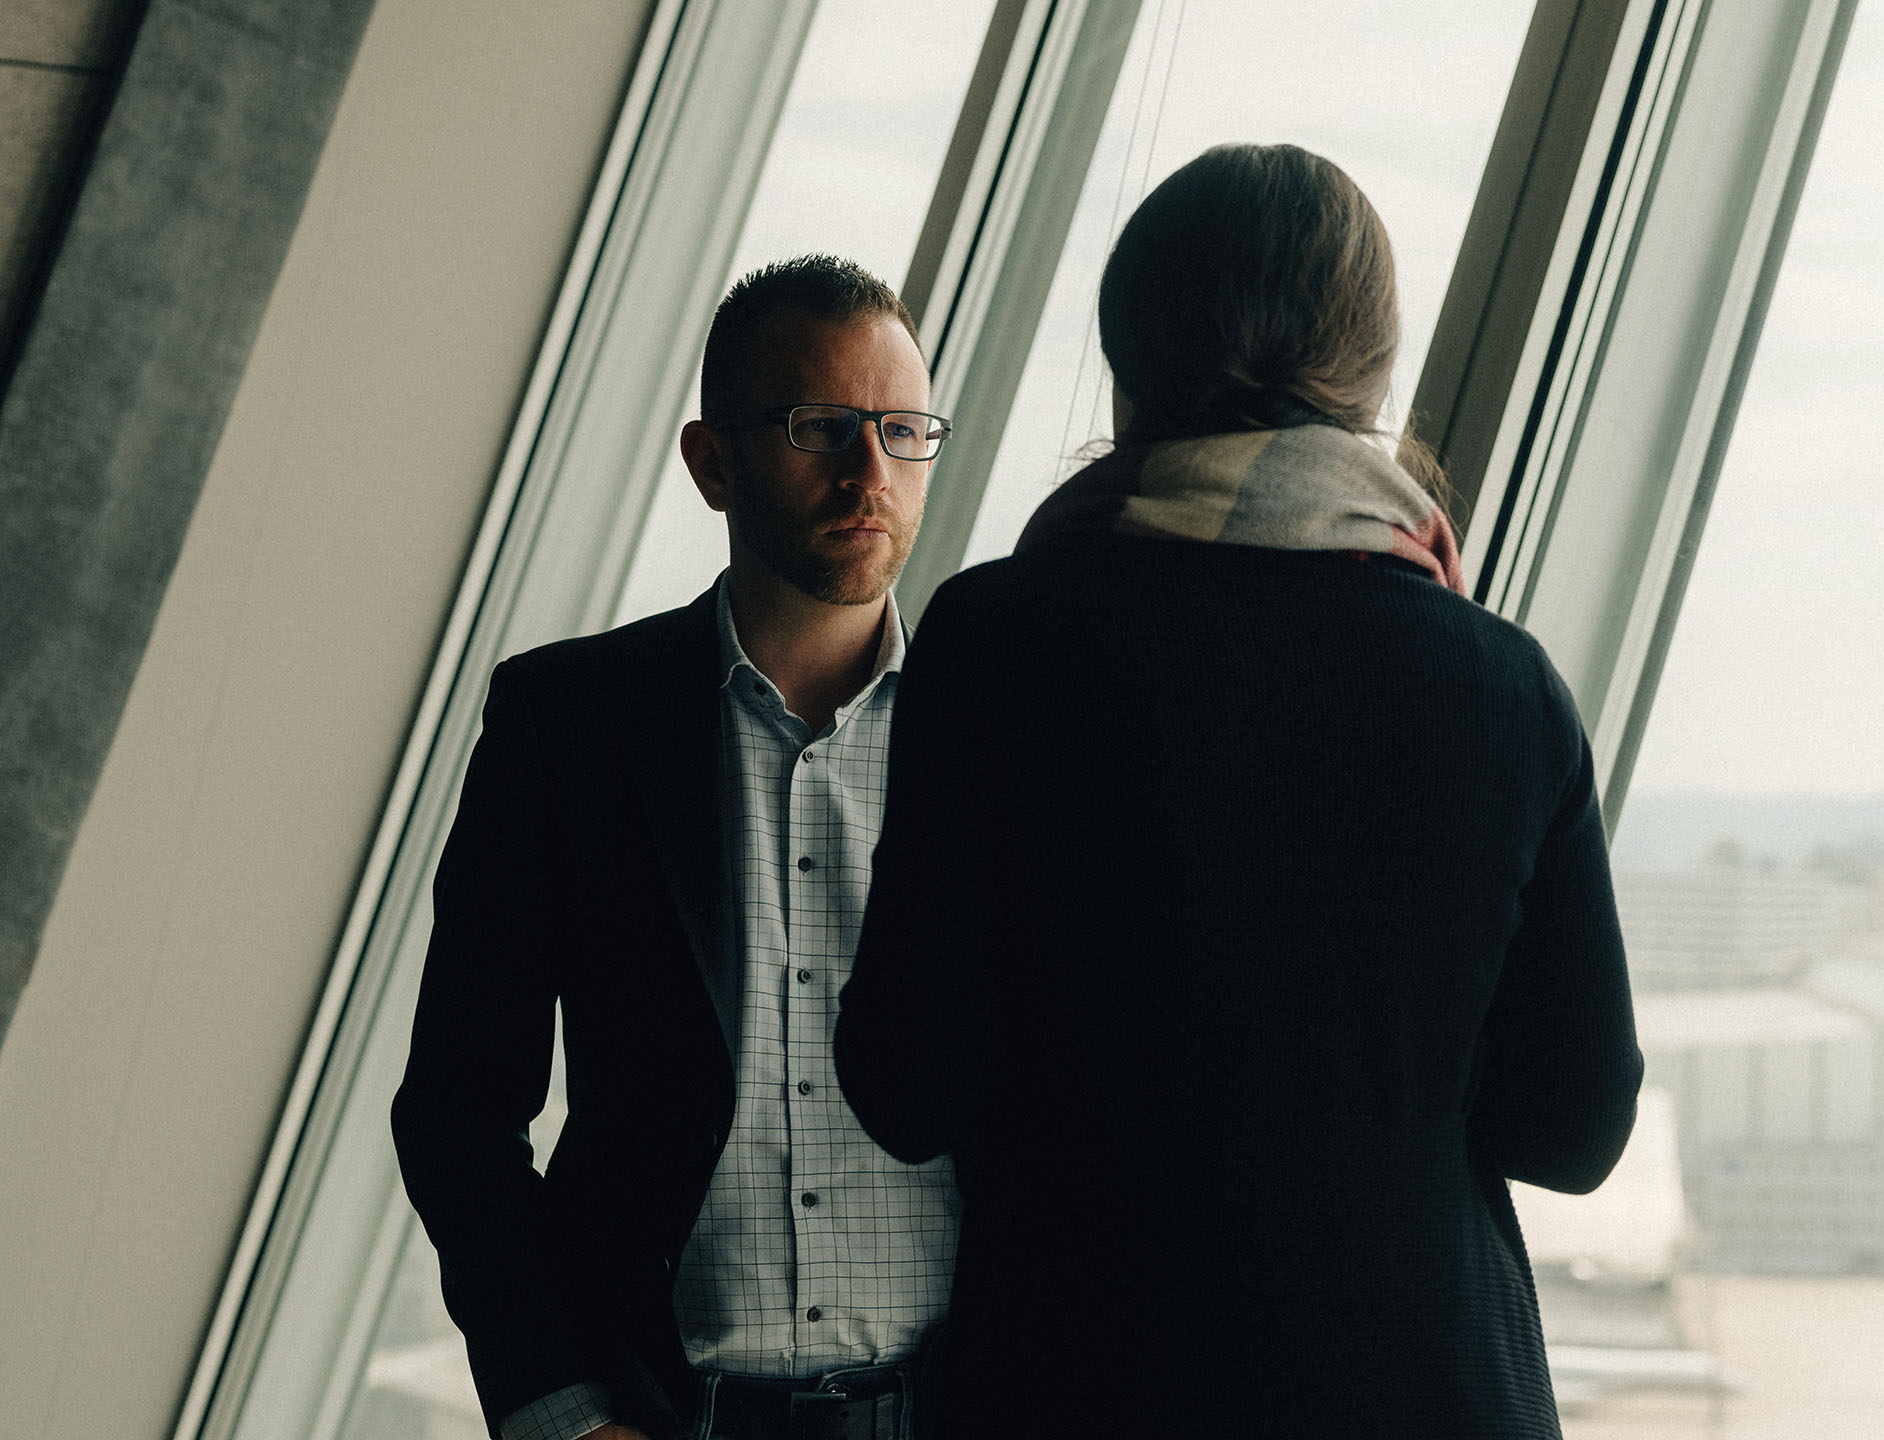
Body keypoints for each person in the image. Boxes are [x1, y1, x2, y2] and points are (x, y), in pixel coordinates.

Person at [835, 144, 1645, 1438]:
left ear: (1129, 353)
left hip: (1077, 1388)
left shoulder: (998, 642)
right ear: (1374, 375)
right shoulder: (1504, 688)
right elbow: (1574, 1128)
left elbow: (903, 1081)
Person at [392, 255, 958, 1440]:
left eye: (904, 432)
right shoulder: (571, 723)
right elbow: (457, 1108)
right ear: (713, 463)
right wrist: (563, 1409)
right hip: (656, 1410)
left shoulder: (994, 730)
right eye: (822, 427)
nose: (871, 472)